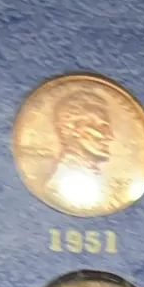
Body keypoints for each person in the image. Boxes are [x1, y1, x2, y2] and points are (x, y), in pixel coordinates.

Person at [42, 83, 117, 212]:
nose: (110, 136)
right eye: (101, 127)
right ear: (73, 129)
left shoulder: (104, 186)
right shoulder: (56, 187)